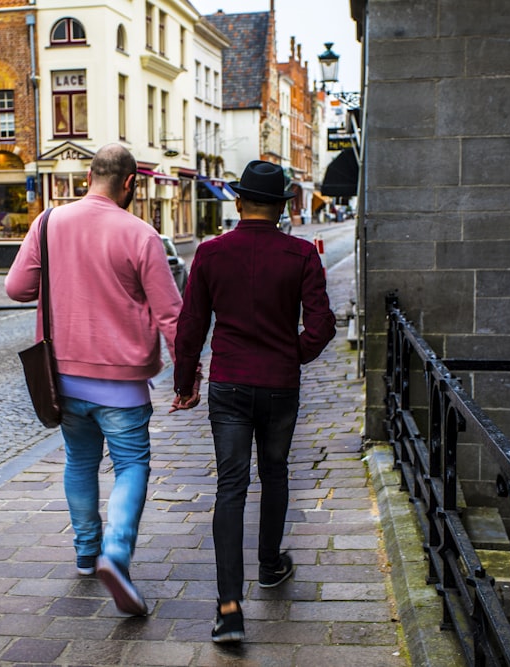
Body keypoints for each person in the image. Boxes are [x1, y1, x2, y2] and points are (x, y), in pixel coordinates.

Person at [6, 143, 192, 616]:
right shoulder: (142, 234)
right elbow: (172, 315)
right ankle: (116, 551)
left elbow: (16, 288)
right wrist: (186, 377)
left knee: (80, 462)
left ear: (90, 175)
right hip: (123, 385)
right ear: (130, 182)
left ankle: (87, 553)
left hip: (64, 380)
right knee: (131, 466)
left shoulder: (48, 223)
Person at [170, 160, 336, 643]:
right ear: (282, 209)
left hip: (229, 384)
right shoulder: (302, 254)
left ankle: (229, 609)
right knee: (276, 472)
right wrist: (292, 353)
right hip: (280, 385)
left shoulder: (211, 253)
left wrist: (186, 383)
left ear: (239, 203)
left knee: (231, 486)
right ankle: (268, 565)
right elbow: (322, 325)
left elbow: (191, 326)